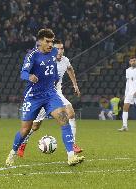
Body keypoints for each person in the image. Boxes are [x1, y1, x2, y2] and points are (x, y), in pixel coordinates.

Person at [5, 29, 84, 166]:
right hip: (33, 97)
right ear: (40, 41)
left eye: (52, 41)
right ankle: (12, 153)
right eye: (47, 41)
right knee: (26, 129)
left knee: (64, 119)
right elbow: (23, 72)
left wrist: (55, 78)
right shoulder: (32, 55)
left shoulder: (54, 52)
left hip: (50, 94)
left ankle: (71, 157)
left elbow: (57, 67)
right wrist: (29, 76)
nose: (50, 45)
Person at [118, 57, 136, 132]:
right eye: (131, 61)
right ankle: (124, 126)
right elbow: (128, 82)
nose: (133, 62)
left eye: (134, 60)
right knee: (125, 107)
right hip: (130, 92)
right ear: (129, 62)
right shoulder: (127, 70)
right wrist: (126, 93)